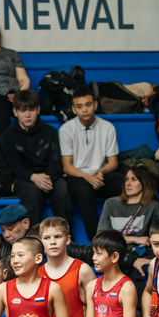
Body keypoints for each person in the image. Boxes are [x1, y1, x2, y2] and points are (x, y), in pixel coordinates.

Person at [0, 89, 70, 224]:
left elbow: (56, 162)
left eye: (31, 109)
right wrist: (33, 177)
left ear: (38, 110)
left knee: (62, 191)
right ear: (15, 112)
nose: (27, 115)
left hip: (50, 176)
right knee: (32, 193)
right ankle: (32, 240)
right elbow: (15, 166)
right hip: (24, 178)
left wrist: (46, 178)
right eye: (22, 110)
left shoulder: (50, 132)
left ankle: (66, 237)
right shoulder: (7, 136)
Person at [60, 87, 122, 238]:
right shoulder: (66, 129)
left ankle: (128, 232)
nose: (85, 110)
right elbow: (67, 166)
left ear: (95, 105)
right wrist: (88, 177)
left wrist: (100, 172)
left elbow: (113, 162)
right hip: (78, 176)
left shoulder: (107, 127)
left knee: (124, 182)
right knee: (83, 190)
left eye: (88, 105)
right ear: (74, 109)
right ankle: (96, 239)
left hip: (100, 174)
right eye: (79, 106)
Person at [98, 167, 159, 244]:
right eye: (126, 179)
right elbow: (100, 237)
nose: (128, 183)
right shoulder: (111, 203)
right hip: (114, 252)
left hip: (141, 253)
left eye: (134, 179)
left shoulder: (153, 206)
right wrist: (135, 239)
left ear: (144, 183)